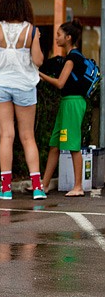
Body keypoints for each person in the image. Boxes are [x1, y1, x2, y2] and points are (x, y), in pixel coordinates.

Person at [0, 0, 44, 200]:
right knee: (28, 137)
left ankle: (6, 188)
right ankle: (37, 187)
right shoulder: (31, 30)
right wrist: (35, 41)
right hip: (25, 85)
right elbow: (38, 61)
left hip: (0, 84)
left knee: (6, 135)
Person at [39, 20, 87, 197]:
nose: (56, 38)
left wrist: (40, 74)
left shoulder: (73, 58)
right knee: (55, 144)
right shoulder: (72, 57)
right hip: (67, 102)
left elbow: (60, 83)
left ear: (68, 37)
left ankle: (78, 186)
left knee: (73, 144)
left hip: (72, 103)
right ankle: (44, 185)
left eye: (59, 35)